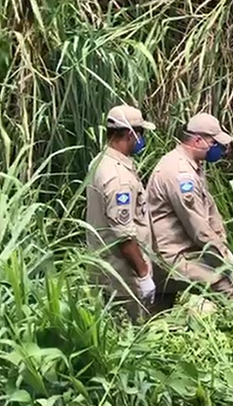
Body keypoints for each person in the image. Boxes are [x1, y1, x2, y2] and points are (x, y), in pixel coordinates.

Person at [147, 113, 233, 299]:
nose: (218, 149)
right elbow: (198, 228)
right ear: (198, 141)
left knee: (160, 312)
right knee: (230, 289)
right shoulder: (181, 175)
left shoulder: (190, 165)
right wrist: (226, 258)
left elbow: (209, 213)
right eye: (214, 143)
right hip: (175, 256)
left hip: (185, 251)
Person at [86, 105, 157, 321]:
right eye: (141, 133)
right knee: (131, 333)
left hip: (103, 266)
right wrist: (144, 274)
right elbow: (124, 235)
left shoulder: (100, 162)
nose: (142, 139)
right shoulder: (118, 177)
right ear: (129, 134)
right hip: (123, 276)